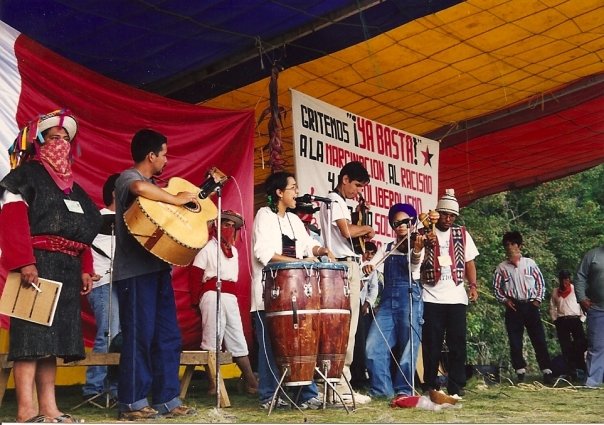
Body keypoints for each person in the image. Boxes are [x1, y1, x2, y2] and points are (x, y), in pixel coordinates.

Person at [0, 109, 102, 423]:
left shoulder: (74, 189)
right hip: (36, 266)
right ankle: (26, 410)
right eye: (54, 137)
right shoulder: (25, 176)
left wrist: (85, 266)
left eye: (65, 138)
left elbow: (83, 231)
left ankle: (50, 409)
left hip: (67, 270)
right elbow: (13, 219)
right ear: (38, 142)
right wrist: (24, 262)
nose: (60, 143)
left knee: (53, 342)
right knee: (30, 341)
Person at [112, 129, 196, 420]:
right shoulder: (128, 178)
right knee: (140, 335)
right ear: (151, 156)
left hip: (158, 269)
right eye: (164, 154)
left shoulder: (156, 187)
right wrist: (175, 199)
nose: (166, 160)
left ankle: (167, 399)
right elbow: (138, 189)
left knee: (168, 335)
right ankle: (132, 402)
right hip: (134, 273)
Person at [251, 171, 334, 410]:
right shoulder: (264, 216)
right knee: (271, 346)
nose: (297, 192)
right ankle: (270, 396)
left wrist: (321, 251)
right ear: (279, 192)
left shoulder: (294, 220)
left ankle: (306, 395)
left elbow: (309, 245)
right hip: (270, 295)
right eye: (293, 188)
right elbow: (264, 254)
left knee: (302, 344)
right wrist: (298, 262)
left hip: (297, 296)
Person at [319, 161, 375, 404]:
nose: (358, 191)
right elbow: (346, 232)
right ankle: (341, 385)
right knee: (346, 330)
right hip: (343, 265)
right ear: (345, 179)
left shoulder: (334, 202)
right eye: (357, 185)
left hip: (338, 266)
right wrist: (367, 228)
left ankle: (333, 385)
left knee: (337, 328)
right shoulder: (336, 200)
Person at [189, 209, 258, 396]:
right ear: (218, 226)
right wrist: (196, 300)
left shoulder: (233, 251)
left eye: (232, 226)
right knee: (212, 338)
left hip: (230, 296)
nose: (229, 228)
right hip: (212, 294)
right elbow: (195, 274)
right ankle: (214, 384)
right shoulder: (207, 248)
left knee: (237, 337)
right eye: (226, 224)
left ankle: (251, 382)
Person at [420, 189, 479, 397]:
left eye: (452, 215)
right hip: (431, 296)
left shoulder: (462, 234)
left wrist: (473, 286)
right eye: (444, 214)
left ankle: (456, 385)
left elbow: (470, 262)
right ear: (438, 213)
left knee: (457, 343)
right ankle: (429, 384)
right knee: (431, 344)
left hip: (456, 297)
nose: (448, 218)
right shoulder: (426, 231)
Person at [364, 204, 425, 399]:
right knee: (373, 346)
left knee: (408, 347)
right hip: (388, 300)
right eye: (396, 223)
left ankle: (404, 390)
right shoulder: (388, 247)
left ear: (413, 223)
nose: (401, 226)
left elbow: (414, 266)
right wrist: (368, 267)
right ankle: (382, 391)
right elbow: (374, 264)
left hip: (410, 298)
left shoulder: (417, 244)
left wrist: (415, 251)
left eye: (406, 222)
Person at [492, 230, 554, 384]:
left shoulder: (529, 263)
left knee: (538, 338)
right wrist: (505, 300)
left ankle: (547, 370)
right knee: (515, 340)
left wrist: (537, 300)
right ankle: (520, 371)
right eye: (507, 245)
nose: (510, 247)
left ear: (519, 245)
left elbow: (540, 282)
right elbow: (496, 288)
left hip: (530, 305)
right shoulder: (502, 268)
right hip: (514, 306)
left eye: (513, 244)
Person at [82, 173, 121, 402]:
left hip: (124, 284)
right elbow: (82, 245)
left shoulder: (132, 220)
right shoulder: (98, 217)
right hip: (102, 282)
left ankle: (114, 388)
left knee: (121, 338)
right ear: (115, 192)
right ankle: (94, 388)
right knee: (108, 333)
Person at [350, 241, 381, 389]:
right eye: (367, 252)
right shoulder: (355, 263)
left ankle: (360, 377)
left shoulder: (372, 268)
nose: (369, 256)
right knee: (350, 342)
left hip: (362, 308)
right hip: (349, 304)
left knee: (361, 343)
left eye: (372, 254)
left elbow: (374, 288)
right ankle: (349, 376)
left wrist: (367, 304)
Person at [549, 269, 587, 380]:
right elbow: (552, 307)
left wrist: (582, 319)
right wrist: (555, 320)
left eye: (566, 279)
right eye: (562, 279)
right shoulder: (555, 291)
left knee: (580, 344)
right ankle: (571, 371)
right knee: (565, 346)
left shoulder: (576, 290)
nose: (564, 281)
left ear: (569, 279)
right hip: (562, 320)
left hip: (575, 319)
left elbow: (583, 304)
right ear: (559, 280)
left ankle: (581, 368)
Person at [575, 245, 604, 388]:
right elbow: (580, 276)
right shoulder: (592, 255)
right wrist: (581, 298)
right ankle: (592, 382)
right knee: (596, 345)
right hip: (598, 308)